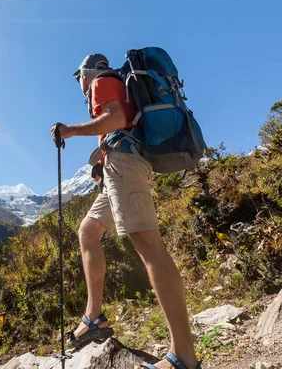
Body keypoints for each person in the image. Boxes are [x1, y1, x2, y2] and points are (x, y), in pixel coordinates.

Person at [50, 54, 200, 369]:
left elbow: (116, 119)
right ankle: (94, 318)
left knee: (149, 248)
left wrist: (70, 131)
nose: (79, 82)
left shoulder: (101, 81)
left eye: (78, 76)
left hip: (124, 166)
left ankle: (183, 357)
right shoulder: (118, 82)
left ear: (86, 72)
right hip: (117, 168)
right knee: (88, 232)